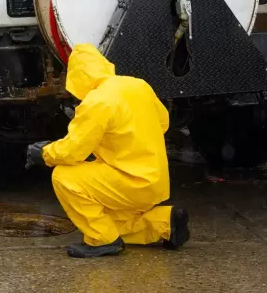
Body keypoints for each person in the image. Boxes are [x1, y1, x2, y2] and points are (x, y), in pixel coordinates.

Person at [25, 44, 189, 258]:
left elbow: (73, 151)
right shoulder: (138, 85)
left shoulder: (97, 101)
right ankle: (165, 223)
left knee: (64, 177)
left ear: (77, 76)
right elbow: (163, 122)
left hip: (131, 183)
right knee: (113, 222)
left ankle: (101, 240)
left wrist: (44, 154)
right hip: (155, 182)